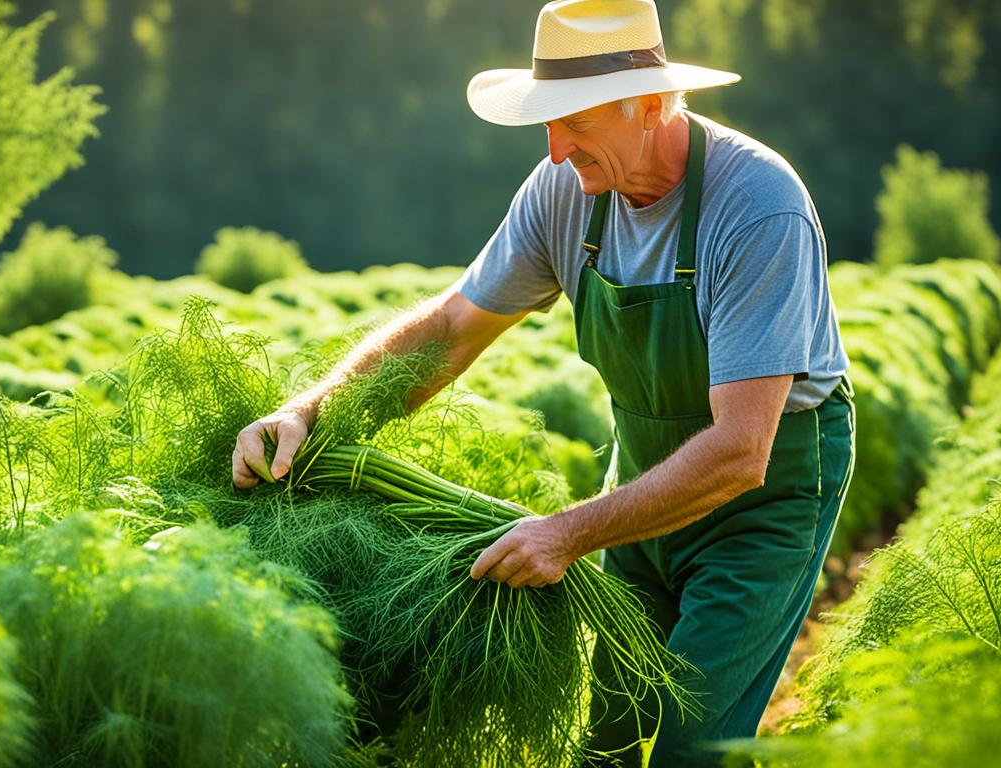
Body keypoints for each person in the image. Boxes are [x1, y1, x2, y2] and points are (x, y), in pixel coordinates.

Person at [232, 0, 855, 765]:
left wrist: (564, 533)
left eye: (576, 123)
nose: (556, 150)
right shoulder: (565, 189)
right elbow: (453, 329)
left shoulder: (757, 207)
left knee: (691, 739)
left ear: (652, 104)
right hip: (648, 476)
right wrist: (310, 414)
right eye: (547, 124)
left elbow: (740, 450)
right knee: (611, 736)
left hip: (763, 498)